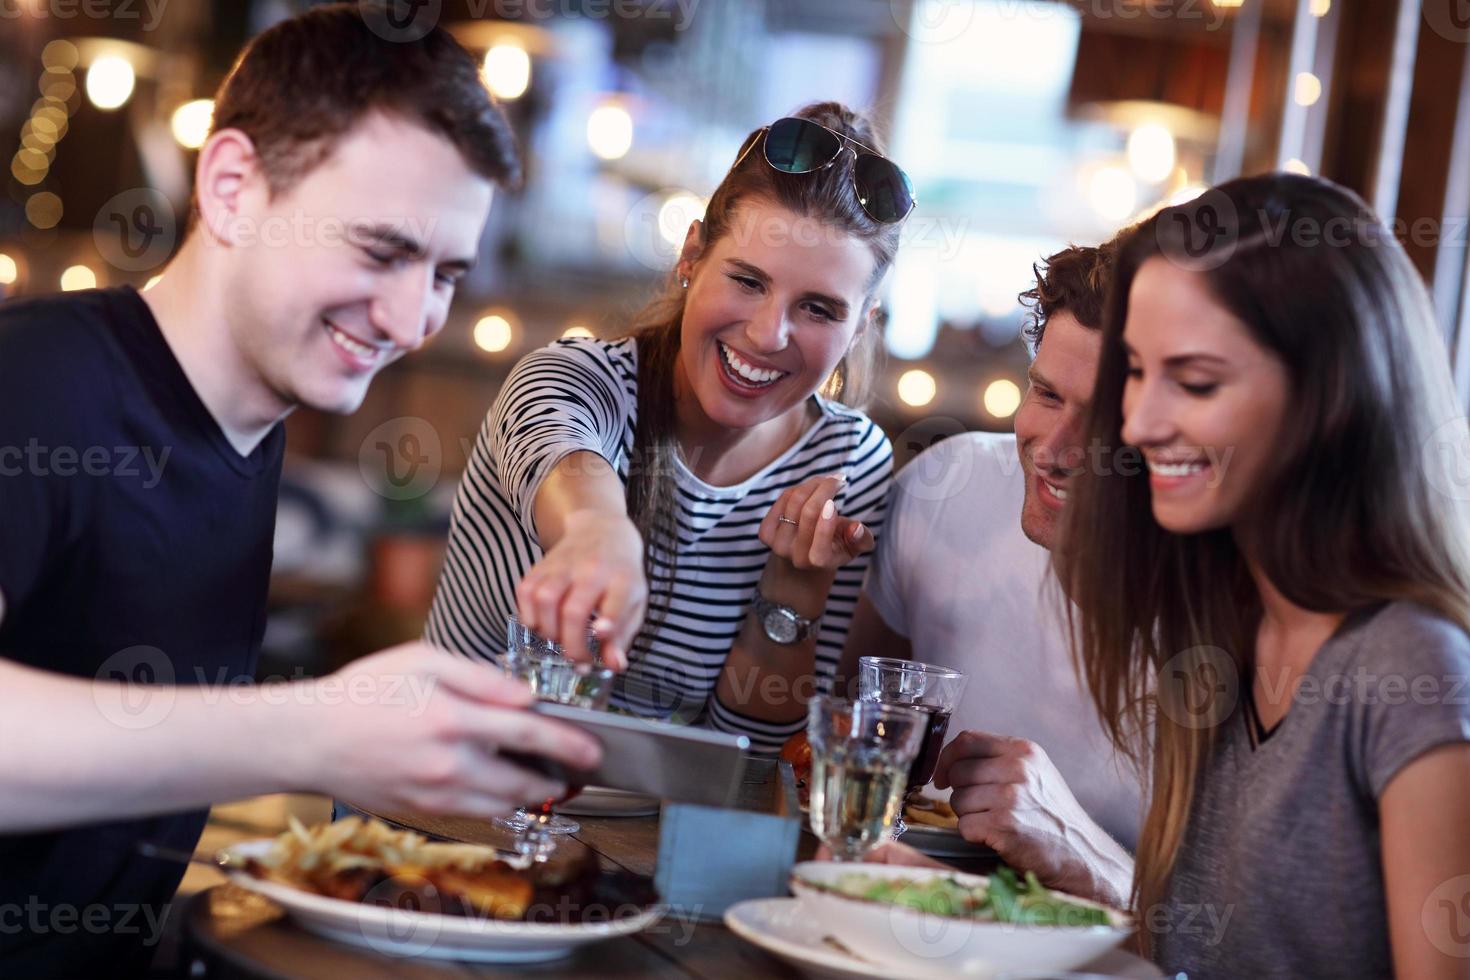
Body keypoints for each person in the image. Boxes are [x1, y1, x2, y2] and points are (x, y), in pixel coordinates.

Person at [0, 8, 599, 976]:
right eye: (379, 250)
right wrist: (311, 728)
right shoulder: (36, 384)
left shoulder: (243, 427)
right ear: (233, 187)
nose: (413, 318)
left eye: (444, 272)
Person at [1055, 174, 1470, 978]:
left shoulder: (1408, 669)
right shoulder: (1231, 626)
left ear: (1329, 397)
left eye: (1197, 382)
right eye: (1137, 370)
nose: (1137, 424)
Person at [426, 105, 904, 752]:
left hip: (642, 842)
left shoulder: (847, 461)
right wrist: (600, 531)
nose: (768, 335)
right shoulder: (573, 379)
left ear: (861, 326)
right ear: (692, 255)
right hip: (445, 802)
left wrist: (789, 599)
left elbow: (744, 766)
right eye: (746, 280)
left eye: (818, 308)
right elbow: (569, 463)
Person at [839, 239, 1139, 909]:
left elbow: (1254, 948)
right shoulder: (949, 483)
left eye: (1102, 423)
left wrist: (1080, 850)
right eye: (1046, 393)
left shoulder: (1254, 619)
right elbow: (838, 733)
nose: (1054, 451)